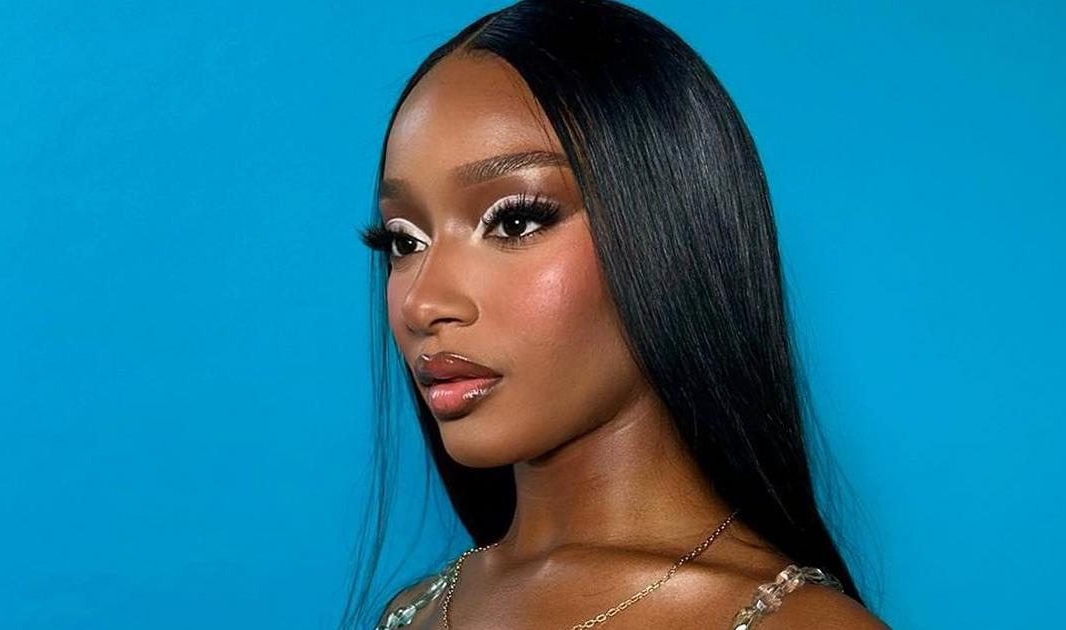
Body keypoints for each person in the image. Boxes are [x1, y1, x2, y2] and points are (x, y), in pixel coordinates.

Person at [344, 0, 890, 627]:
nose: (422, 303)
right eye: (404, 241)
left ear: (674, 237)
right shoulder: (415, 612)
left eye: (515, 221)